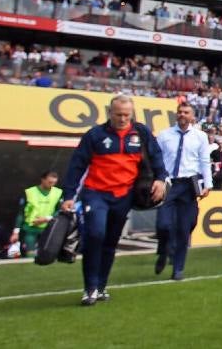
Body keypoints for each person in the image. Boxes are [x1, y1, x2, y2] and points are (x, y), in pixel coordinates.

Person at [61, 94, 168, 306]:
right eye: (118, 114)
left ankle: (101, 287)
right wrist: (69, 196)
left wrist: (161, 179)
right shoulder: (95, 135)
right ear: (110, 113)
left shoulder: (141, 133)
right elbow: (77, 165)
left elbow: (156, 157)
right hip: (96, 193)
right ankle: (89, 288)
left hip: (124, 195)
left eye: (127, 115)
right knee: (95, 235)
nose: (122, 119)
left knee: (110, 241)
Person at [154, 102, 212, 280]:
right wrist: (157, 180)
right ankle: (164, 250)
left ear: (192, 116)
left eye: (186, 112)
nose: (182, 114)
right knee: (163, 225)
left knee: (185, 227)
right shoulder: (164, 136)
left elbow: (204, 160)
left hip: (189, 184)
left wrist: (207, 183)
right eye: (180, 112)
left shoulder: (200, 137)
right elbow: (156, 160)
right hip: (169, 183)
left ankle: (178, 268)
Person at [10, 170, 63, 256]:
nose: (52, 185)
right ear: (43, 179)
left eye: (54, 183)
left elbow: (59, 211)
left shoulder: (58, 193)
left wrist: (46, 219)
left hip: (48, 229)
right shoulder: (29, 192)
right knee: (30, 254)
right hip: (30, 229)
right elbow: (21, 213)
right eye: (50, 182)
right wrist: (16, 232)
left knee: (47, 255)